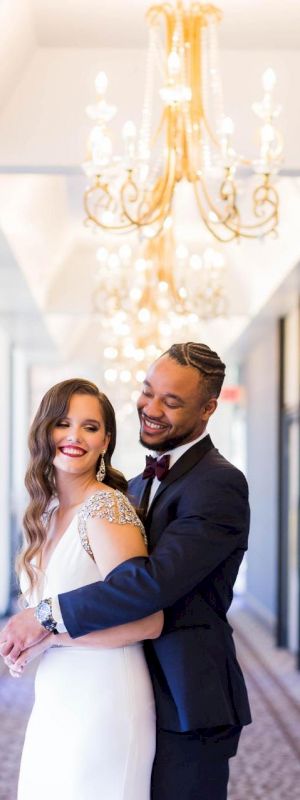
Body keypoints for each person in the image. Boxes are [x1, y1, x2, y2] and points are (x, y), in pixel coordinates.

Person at [1, 342, 251, 800]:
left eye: (171, 402)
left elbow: (148, 584)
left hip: (187, 695)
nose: (151, 409)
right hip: (121, 679)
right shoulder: (136, 484)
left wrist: (43, 620)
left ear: (209, 408)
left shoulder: (219, 483)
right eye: (147, 392)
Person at [3, 378, 163, 800]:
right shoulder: (46, 510)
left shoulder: (106, 508)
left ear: (106, 440)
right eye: (63, 423)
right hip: (57, 692)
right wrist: (40, 643)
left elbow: (148, 620)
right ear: (45, 431)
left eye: (90, 427)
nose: (74, 436)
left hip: (105, 695)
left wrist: (47, 635)